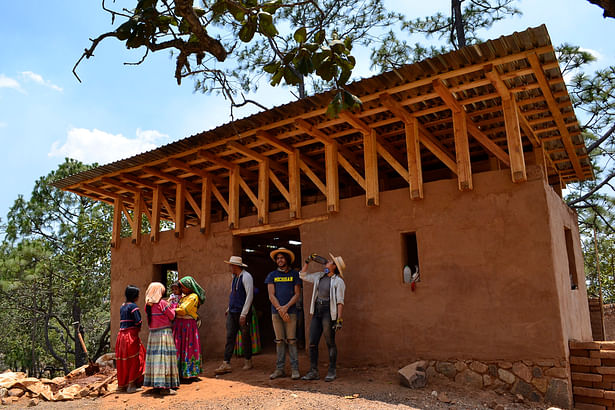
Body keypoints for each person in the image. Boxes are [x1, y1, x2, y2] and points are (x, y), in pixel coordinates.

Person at [300, 253, 346, 382]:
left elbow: (340, 301)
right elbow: (302, 275)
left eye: (330, 262)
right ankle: (313, 371)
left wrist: (339, 319)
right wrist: (307, 262)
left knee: (330, 342)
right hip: (317, 311)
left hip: (328, 312)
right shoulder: (320, 276)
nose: (326, 262)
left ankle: (332, 370)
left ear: (334, 267)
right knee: (312, 342)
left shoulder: (338, 281)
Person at [265, 247, 301, 380]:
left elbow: (297, 294)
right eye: (278, 258)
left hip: (290, 312)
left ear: (287, 259)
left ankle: (295, 369)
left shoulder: (294, 275)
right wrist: (280, 309)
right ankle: (280, 369)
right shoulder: (272, 275)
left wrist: (286, 308)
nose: (280, 260)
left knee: (291, 340)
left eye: (282, 257)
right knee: (279, 341)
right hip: (276, 313)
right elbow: (271, 295)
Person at [214, 256, 254, 375]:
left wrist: (244, 314)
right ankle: (226, 362)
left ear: (236, 266)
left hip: (242, 312)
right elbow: (233, 294)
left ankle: (248, 360)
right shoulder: (235, 277)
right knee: (230, 336)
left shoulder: (246, 277)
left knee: (245, 337)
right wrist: (229, 307)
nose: (230, 267)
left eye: (231, 265)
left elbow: (249, 296)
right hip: (233, 311)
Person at [143, 282, 179, 394]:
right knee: (164, 358)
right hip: (164, 334)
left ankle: (156, 385)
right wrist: (173, 306)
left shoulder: (147, 305)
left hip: (153, 335)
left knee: (155, 360)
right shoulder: (162, 303)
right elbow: (172, 316)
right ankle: (165, 387)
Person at [173, 276, 205, 379]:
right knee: (179, 347)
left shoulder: (193, 297)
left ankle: (190, 373)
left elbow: (183, 310)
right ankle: (180, 373)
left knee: (188, 347)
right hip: (179, 325)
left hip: (188, 326)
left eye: (183, 287)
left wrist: (172, 309)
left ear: (189, 287)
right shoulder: (183, 297)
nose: (181, 289)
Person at [116, 285, 146, 393]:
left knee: (123, 360)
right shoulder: (133, 307)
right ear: (135, 296)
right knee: (135, 360)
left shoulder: (122, 306)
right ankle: (131, 385)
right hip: (130, 336)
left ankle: (122, 385)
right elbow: (138, 322)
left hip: (121, 336)